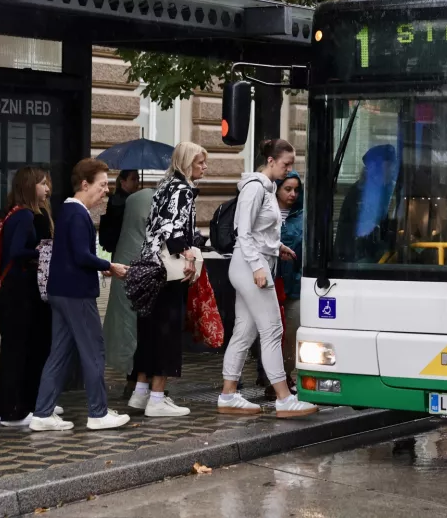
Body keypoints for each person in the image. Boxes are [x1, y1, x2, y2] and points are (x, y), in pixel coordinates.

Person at [218, 139, 318, 418]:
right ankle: (284, 398)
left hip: (251, 264)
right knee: (272, 329)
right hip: (251, 266)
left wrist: (277, 248)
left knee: (245, 331)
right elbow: (244, 231)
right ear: (271, 161)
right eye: (286, 164)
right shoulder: (255, 187)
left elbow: (259, 234)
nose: (289, 169)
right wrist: (258, 267)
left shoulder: (265, 188)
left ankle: (228, 394)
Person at [30, 158, 131, 432]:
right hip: (77, 294)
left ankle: (42, 413)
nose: (106, 190)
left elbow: (75, 256)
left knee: (59, 353)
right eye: (102, 184)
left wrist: (101, 267)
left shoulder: (67, 211)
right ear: (84, 184)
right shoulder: (77, 213)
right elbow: (81, 255)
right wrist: (108, 265)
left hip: (61, 292)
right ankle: (98, 413)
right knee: (94, 351)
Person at [128, 142, 209, 417]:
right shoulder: (183, 189)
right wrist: (187, 254)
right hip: (168, 271)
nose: (204, 167)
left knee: (149, 330)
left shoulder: (163, 186)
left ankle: (140, 394)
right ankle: (158, 397)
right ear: (187, 163)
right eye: (200, 162)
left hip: (149, 265)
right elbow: (170, 227)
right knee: (167, 331)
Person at [0, 167, 61, 427]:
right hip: (16, 291)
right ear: (30, 186)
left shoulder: (14, 214)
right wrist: (41, 250)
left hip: (9, 291)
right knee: (18, 350)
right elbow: (18, 250)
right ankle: (13, 412)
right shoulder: (25, 216)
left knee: (11, 349)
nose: (47, 189)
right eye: (42, 184)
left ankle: (0, 408)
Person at [103, 185, 155, 392]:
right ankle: (139, 382)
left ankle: (133, 381)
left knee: (128, 326)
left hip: (123, 268)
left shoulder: (127, 206)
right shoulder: (147, 206)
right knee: (140, 328)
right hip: (138, 272)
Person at [276, 170, 304, 389]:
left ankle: (285, 375)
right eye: (287, 189)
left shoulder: (302, 216)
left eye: (296, 189)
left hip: (294, 283)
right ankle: (267, 376)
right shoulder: (268, 212)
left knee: (292, 330)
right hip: (269, 280)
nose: (292, 194)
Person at [99, 169, 140, 254]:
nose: (137, 182)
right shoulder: (120, 200)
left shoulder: (124, 198)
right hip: (122, 246)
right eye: (133, 179)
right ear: (123, 182)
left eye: (138, 179)